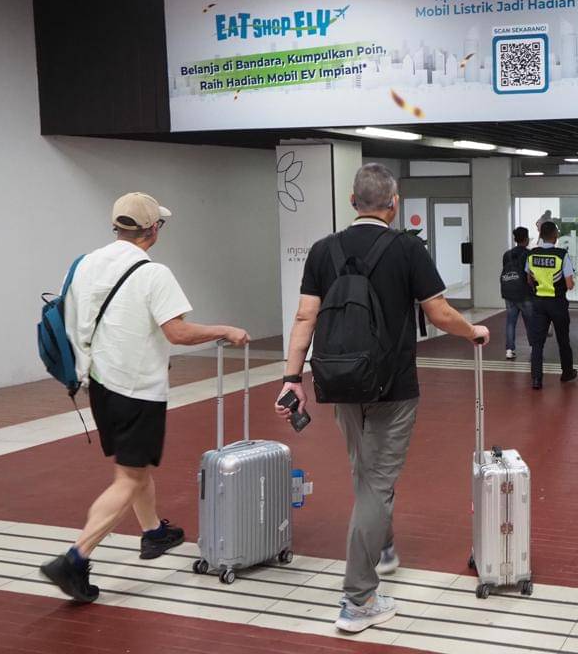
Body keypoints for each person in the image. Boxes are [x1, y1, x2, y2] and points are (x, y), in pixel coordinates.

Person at [274, 163, 490, 634]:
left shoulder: (322, 250)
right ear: (394, 204)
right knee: (376, 483)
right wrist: (473, 331)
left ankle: (384, 544)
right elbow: (438, 311)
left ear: (352, 203)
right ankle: (358, 599)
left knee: (364, 472)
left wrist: (293, 378)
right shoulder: (407, 248)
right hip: (392, 386)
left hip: (339, 381)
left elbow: (304, 318)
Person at [40, 192, 250, 604]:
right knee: (129, 477)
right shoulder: (154, 273)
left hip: (99, 383)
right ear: (153, 230)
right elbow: (178, 333)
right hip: (136, 389)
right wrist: (225, 330)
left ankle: (153, 531)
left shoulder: (85, 264)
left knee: (132, 467)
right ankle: (75, 560)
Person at [525, 220, 578, 390]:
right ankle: (567, 372)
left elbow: (529, 279)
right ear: (555, 236)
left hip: (539, 303)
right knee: (563, 339)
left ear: (541, 235)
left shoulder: (532, 255)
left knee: (537, 343)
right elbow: (569, 284)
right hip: (557, 303)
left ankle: (536, 379)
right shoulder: (562, 255)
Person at [500, 227, 533, 360]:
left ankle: (509, 349)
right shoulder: (529, 254)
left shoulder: (506, 254)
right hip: (524, 292)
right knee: (530, 321)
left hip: (508, 291)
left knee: (510, 322)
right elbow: (530, 274)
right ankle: (533, 346)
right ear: (526, 239)